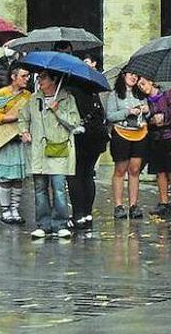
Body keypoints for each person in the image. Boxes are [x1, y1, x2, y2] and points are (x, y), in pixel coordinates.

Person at [18, 70, 80, 239]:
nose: (39, 80)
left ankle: (60, 223)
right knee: (40, 188)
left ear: (54, 80)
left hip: (58, 149)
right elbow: (23, 118)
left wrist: (58, 110)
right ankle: (43, 224)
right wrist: (24, 132)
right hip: (37, 150)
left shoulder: (67, 99)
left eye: (43, 77)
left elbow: (74, 122)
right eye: (39, 77)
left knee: (59, 188)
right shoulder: (33, 99)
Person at [104, 70, 149, 220]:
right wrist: (127, 111)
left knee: (135, 169)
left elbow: (147, 113)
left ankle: (134, 205)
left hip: (139, 133)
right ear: (124, 76)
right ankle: (118, 205)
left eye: (136, 75)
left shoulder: (141, 94)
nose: (134, 77)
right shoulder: (114, 94)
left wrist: (146, 111)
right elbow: (110, 115)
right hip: (121, 133)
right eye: (131, 74)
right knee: (120, 169)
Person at [0, 65, 31, 225]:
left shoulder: (28, 95)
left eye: (28, 76)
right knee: (6, 178)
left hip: (20, 140)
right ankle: (6, 209)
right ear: (13, 77)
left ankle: (15, 208)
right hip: (6, 139)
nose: (27, 79)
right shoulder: (2, 93)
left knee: (19, 178)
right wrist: (15, 116)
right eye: (23, 76)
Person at [68, 80, 108, 230]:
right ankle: (87, 214)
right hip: (97, 137)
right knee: (87, 175)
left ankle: (78, 215)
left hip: (82, 138)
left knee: (75, 175)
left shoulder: (71, 92)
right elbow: (101, 114)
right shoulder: (93, 92)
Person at [143, 75, 171, 217]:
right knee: (159, 171)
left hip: (169, 137)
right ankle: (164, 202)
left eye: (144, 83)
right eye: (140, 86)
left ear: (151, 82)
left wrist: (163, 118)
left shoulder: (167, 96)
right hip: (154, 138)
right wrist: (151, 119)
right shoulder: (145, 101)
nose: (143, 87)